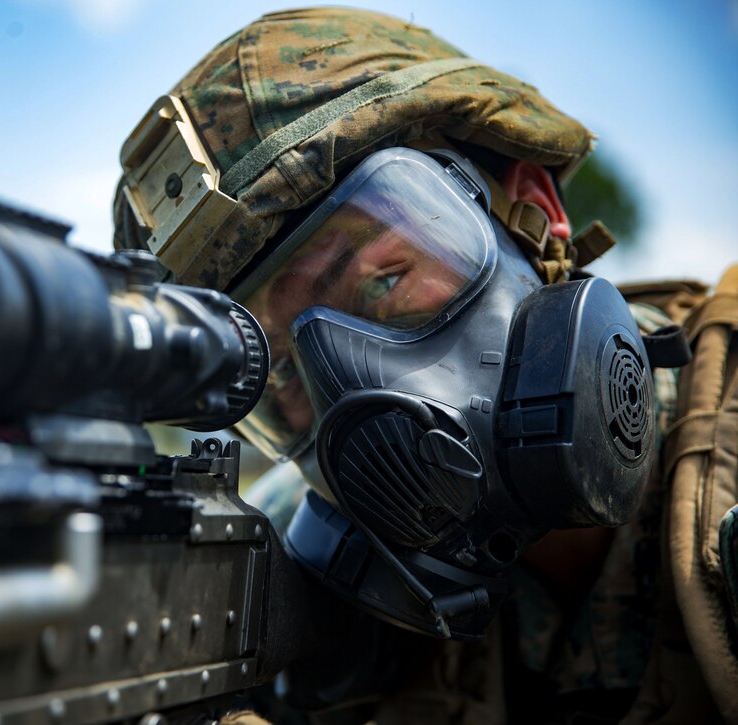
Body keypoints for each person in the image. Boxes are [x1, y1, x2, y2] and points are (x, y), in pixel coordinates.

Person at [113, 8, 736, 723]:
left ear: (534, 212)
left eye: (384, 278)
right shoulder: (270, 574)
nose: (353, 387)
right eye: (279, 367)